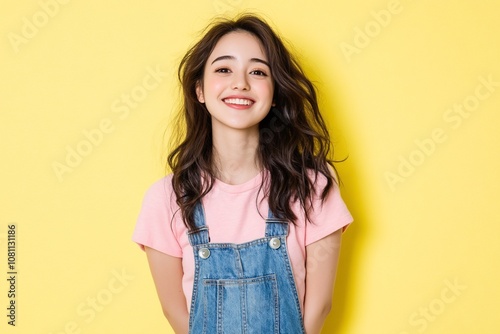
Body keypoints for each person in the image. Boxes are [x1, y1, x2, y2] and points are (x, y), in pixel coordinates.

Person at [132, 13, 353, 334]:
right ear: (200, 90)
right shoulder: (166, 198)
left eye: (258, 71)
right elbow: (175, 313)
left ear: (275, 93)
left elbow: (319, 307)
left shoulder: (313, 185)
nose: (240, 83)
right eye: (224, 69)